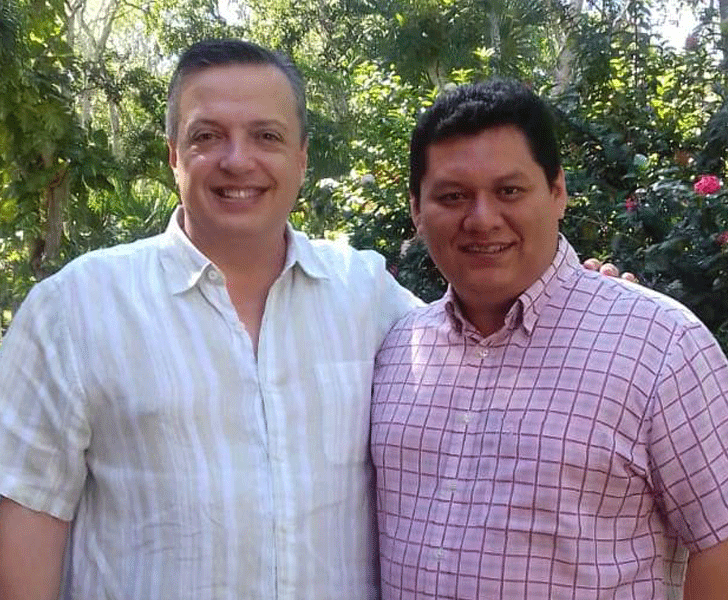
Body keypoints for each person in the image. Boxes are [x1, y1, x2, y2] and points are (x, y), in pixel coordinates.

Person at [0, 38, 421, 599]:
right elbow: (26, 515)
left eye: (266, 136)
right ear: (173, 155)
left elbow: (485, 356)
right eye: (207, 136)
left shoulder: (369, 296)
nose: (238, 160)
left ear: (301, 157)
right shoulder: (74, 310)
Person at [371, 79, 728, 599]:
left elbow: (726, 539)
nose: (482, 219)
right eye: (453, 196)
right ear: (417, 209)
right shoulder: (396, 349)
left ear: (557, 192)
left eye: (509, 191)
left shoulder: (659, 343)